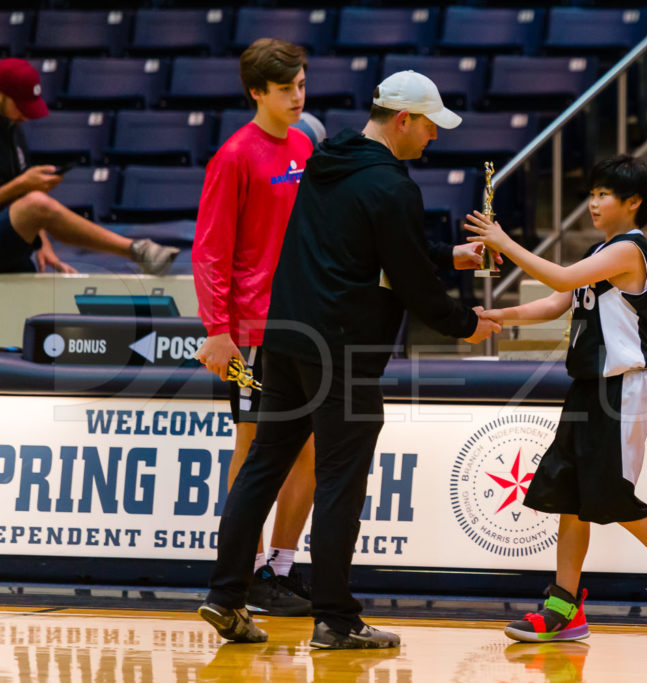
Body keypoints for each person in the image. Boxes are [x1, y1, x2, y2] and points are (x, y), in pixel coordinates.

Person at [197, 70, 500, 649]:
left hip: (285, 336)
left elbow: (373, 245)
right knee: (340, 480)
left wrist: (447, 255)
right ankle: (336, 620)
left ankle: (225, 596)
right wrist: (464, 323)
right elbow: (408, 276)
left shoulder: (327, 158)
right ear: (405, 119)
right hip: (342, 348)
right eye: (430, 127)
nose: (434, 139)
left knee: (263, 464)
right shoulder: (392, 186)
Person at [465, 154, 647, 643]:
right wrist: (498, 316)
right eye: (594, 192)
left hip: (623, 388)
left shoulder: (630, 251)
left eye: (605, 194)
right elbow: (558, 301)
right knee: (571, 497)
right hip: (588, 387)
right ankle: (564, 605)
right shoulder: (603, 252)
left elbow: (560, 279)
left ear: (634, 203)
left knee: (611, 497)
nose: (595, 202)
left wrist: (504, 243)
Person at [193, 38, 319, 617]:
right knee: (251, 452)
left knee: (310, 452)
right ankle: (241, 574)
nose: (297, 96)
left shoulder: (303, 144)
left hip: (302, 325)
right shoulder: (235, 155)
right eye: (285, 88)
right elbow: (211, 250)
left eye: (301, 84)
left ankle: (282, 569)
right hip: (249, 330)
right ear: (256, 92)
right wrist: (218, 328)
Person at [0, 58, 178, 275]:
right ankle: (138, 251)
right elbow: (26, 198)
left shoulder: (12, 128)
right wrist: (21, 184)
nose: (25, 115)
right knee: (37, 202)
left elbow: (23, 199)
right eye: (20, 105)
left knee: (34, 205)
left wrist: (42, 245)